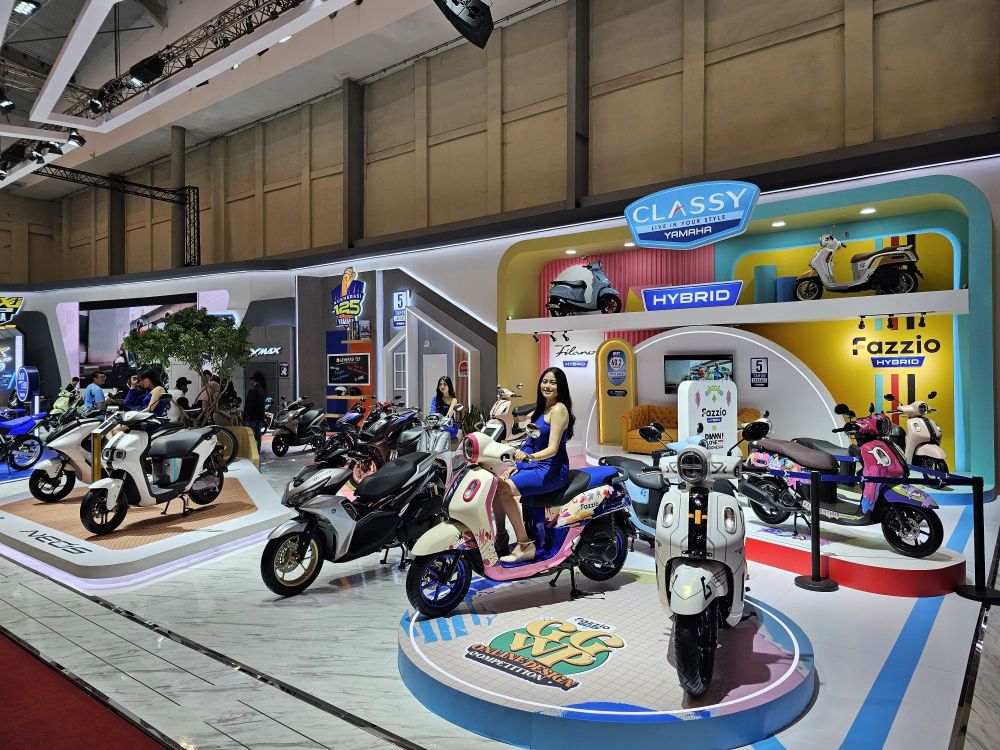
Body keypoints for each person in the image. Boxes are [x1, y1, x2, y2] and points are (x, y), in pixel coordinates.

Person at [493, 367, 574, 563]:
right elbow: (530, 441)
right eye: (545, 381)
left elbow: (552, 449)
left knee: (503, 490)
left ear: (560, 386)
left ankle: (524, 544)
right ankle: (501, 537)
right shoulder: (541, 409)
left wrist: (529, 458)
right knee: (495, 486)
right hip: (536, 465)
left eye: (553, 382)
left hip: (551, 469)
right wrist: (517, 465)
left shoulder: (559, 410)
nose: (547, 386)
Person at [243, 372, 266, 449]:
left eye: (251, 380)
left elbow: (250, 405)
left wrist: (246, 416)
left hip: (252, 417)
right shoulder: (262, 390)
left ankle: (252, 450)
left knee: (251, 434)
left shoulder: (253, 391)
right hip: (259, 416)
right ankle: (257, 449)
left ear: (254, 380)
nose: (251, 381)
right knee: (258, 434)